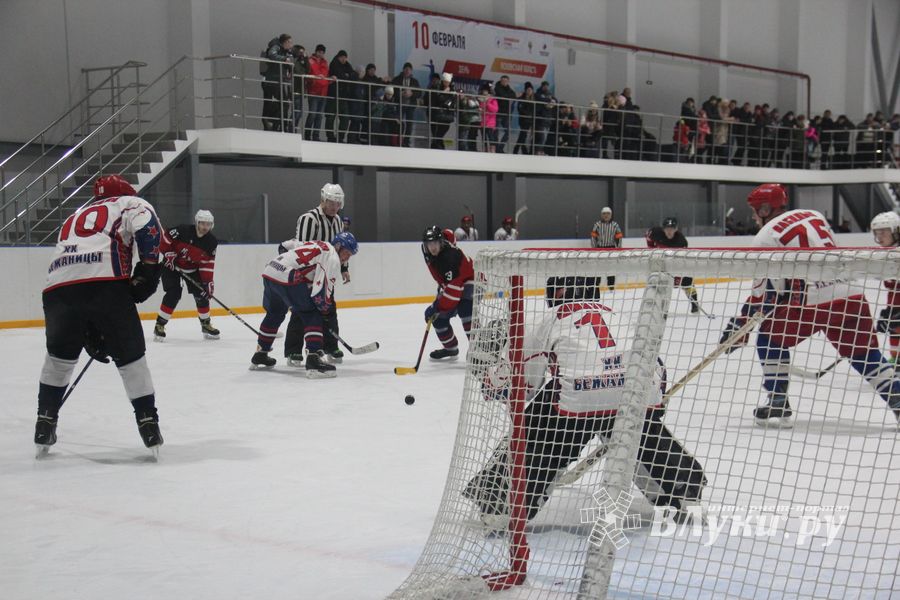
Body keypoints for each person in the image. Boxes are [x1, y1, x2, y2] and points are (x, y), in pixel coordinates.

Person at [464, 277, 706, 527]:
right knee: (640, 433)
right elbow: (656, 367)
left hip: (580, 397)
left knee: (538, 429)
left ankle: (501, 503)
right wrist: (650, 405)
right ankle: (682, 489)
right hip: (639, 389)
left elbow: (523, 384)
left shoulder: (548, 318)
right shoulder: (615, 314)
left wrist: (490, 382)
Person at [718, 183, 900, 427]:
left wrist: (740, 326)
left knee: (769, 338)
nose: (752, 215)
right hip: (852, 295)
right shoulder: (813, 214)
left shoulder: (764, 237)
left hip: (814, 300)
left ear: (764, 210)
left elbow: (762, 294)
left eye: (754, 210)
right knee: (865, 355)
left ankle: (778, 400)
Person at [35, 175, 164, 457]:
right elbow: (149, 232)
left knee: (58, 359)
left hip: (57, 289)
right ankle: (147, 422)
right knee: (131, 359)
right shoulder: (130, 202)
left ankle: (45, 420)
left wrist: (89, 323)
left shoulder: (75, 215)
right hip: (105, 284)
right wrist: (148, 271)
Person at [250, 233, 358, 377]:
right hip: (288, 276)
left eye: (350, 255)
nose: (346, 258)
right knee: (312, 314)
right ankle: (314, 359)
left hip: (271, 270)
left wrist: (292, 268)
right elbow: (320, 295)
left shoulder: (318, 244)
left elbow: (284, 245)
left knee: (274, 314)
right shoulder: (333, 259)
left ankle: (260, 354)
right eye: (346, 253)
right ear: (338, 246)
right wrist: (324, 313)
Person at [283, 183, 348, 365]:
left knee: (329, 309)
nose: (335, 207)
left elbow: (340, 247)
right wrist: (305, 275)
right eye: (331, 202)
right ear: (323, 200)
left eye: (338, 203)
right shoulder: (308, 218)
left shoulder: (337, 221)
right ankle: (293, 350)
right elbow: (302, 249)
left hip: (327, 272)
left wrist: (343, 268)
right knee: (301, 310)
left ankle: (330, 346)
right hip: (306, 274)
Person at [154, 210, 219, 341]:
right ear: (197, 223)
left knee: (202, 294)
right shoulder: (182, 230)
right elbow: (164, 239)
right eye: (202, 224)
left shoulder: (211, 242)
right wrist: (168, 253)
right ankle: (159, 325)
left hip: (192, 269)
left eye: (208, 224)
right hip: (171, 266)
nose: (205, 227)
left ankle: (205, 324)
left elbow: (207, 264)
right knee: (174, 293)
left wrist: (208, 282)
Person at [421, 226, 474, 361]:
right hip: (454, 283)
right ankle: (451, 348)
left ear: (441, 242)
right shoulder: (427, 250)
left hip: (472, 279)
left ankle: (477, 348)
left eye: (435, 244)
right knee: (437, 318)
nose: (432, 247)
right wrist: (437, 307)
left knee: (465, 309)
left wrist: (437, 306)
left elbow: (454, 291)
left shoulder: (449, 257)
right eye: (429, 244)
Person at [645, 217, 702, 314]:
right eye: (667, 229)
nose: (669, 232)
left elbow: (681, 261)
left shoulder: (681, 241)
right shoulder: (655, 232)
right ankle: (663, 310)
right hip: (662, 265)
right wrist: (652, 248)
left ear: (676, 229)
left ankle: (694, 304)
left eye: (672, 229)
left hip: (676, 264)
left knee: (688, 281)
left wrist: (678, 276)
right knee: (662, 286)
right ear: (663, 229)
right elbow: (648, 236)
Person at [871, 211, 900, 363]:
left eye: (884, 232)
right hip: (894, 300)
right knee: (893, 328)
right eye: (877, 232)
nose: (880, 236)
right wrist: (891, 311)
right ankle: (897, 358)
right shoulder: (887, 254)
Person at [262, 34, 295, 132]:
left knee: (282, 103)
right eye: (290, 42)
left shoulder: (287, 51)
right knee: (283, 103)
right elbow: (272, 55)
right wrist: (284, 59)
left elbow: (291, 62)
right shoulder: (276, 47)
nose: (291, 44)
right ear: (284, 42)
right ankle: (273, 123)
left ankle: (274, 124)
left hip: (279, 80)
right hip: (272, 80)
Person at [589, 206, 623, 291]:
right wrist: (594, 248)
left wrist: (618, 248)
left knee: (610, 268)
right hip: (600, 248)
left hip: (611, 249)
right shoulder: (597, 224)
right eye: (604, 214)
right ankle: (596, 287)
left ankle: (611, 287)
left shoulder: (615, 225)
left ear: (611, 215)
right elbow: (593, 236)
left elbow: (619, 237)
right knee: (598, 268)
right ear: (601, 215)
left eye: (608, 214)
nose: (606, 215)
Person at [304, 44, 331, 141]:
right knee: (313, 114)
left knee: (319, 116)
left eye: (323, 52)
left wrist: (331, 79)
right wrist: (316, 79)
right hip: (313, 92)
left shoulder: (325, 63)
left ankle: (316, 135)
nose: (321, 54)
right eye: (319, 52)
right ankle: (307, 134)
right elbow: (309, 74)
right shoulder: (310, 61)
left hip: (323, 92)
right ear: (316, 51)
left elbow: (326, 76)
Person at [390, 62, 422, 147]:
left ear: (411, 71)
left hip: (410, 106)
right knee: (398, 123)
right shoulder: (397, 79)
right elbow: (391, 90)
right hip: (399, 104)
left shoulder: (415, 81)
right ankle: (397, 141)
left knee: (409, 124)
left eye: (409, 69)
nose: (407, 71)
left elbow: (419, 93)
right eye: (406, 69)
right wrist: (400, 93)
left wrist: (411, 94)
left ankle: (406, 142)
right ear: (403, 70)